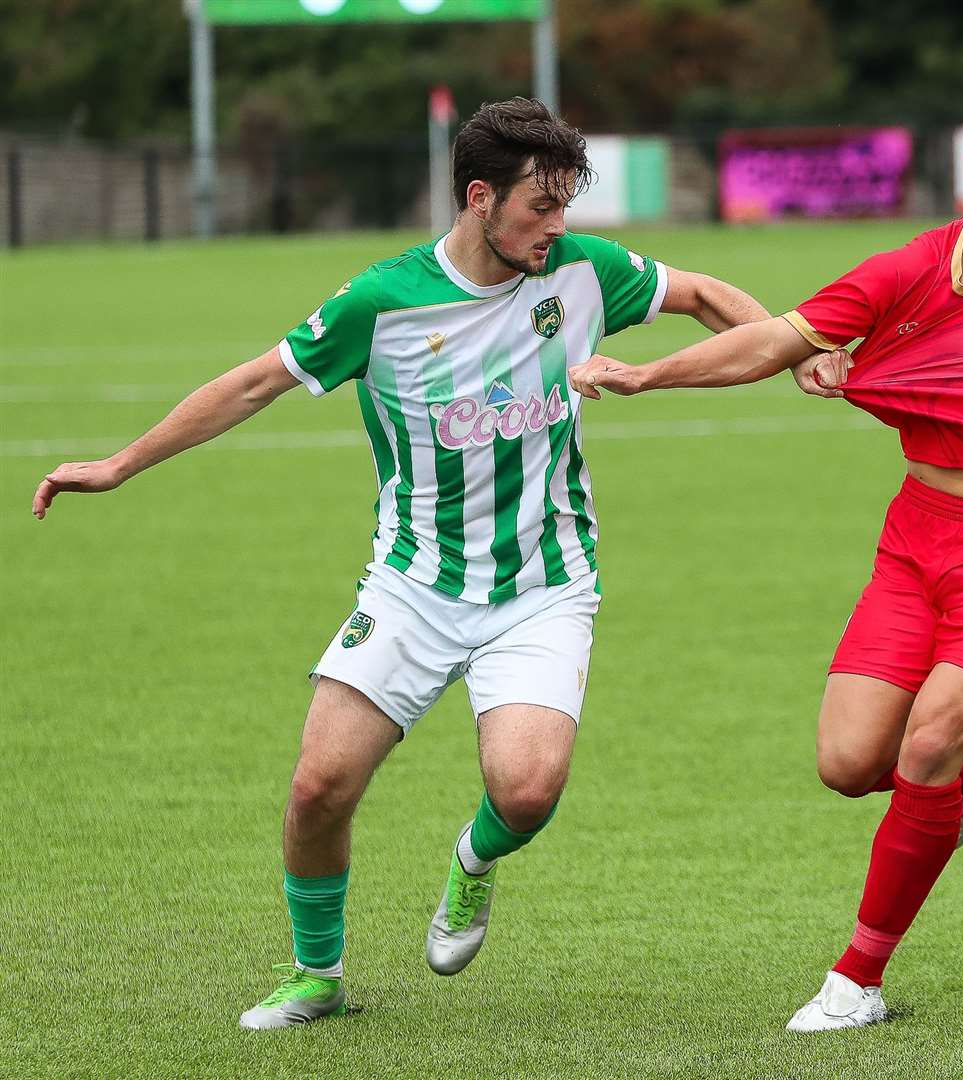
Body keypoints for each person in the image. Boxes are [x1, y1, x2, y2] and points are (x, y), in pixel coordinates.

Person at [31, 97, 790, 1030]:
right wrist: (118, 464)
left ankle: (473, 864)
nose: (558, 227)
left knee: (526, 788)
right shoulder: (381, 302)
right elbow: (251, 383)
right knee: (317, 787)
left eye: (564, 207)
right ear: (479, 198)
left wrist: (795, 350)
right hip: (414, 585)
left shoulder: (586, 273)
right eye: (539, 208)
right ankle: (317, 976)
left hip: (545, 585)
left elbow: (709, 297)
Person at [570, 78, 963, 1031]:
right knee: (846, 762)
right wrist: (645, 374)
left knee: (925, 739)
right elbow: (771, 342)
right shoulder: (901, 273)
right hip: (916, 539)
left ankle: (855, 979)